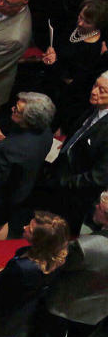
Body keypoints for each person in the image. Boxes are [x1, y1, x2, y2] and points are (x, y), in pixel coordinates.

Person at [0, 93, 55, 240]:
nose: (12, 109)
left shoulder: (11, 148)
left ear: (29, 118)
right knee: (2, 221)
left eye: (17, 110)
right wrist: (4, 139)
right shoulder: (45, 132)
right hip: (20, 190)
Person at [38, 71, 108, 233]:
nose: (94, 91)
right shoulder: (93, 109)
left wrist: (65, 182)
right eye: (95, 85)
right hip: (60, 178)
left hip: (76, 196)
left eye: (102, 90)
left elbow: (99, 176)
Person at [40, 191, 108, 337]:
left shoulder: (85, 247)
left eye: (100, 205)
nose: (96, 206)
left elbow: (56, 265)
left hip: (63, 305)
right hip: (97, 311)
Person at [42, 0, 108, 132]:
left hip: (65, 98)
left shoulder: (95, 49)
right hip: (49, 83)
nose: (80, 23)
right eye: (80, 17)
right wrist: (51, 53)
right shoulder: (72, 28)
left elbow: (73, 82)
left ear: (98, 25)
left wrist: (54, 63)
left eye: (87, 22)